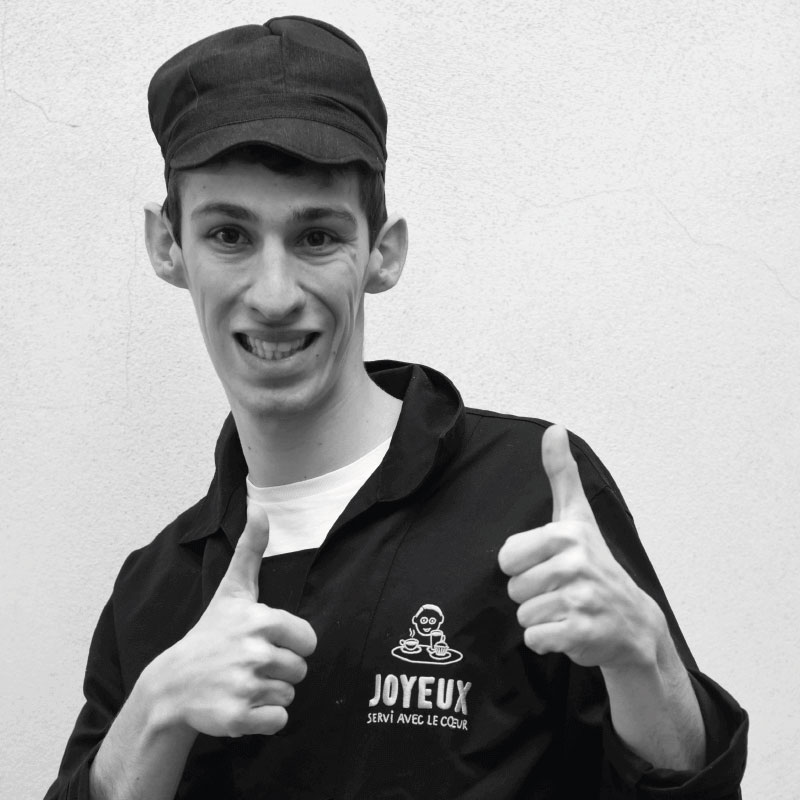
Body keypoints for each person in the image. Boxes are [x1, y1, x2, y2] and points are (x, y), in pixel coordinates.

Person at [44, 16, 748, 800]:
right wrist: (156, 713)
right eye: (229, 235)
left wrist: (643, 656)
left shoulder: (531, 500)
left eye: (316, 236)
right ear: (167, 247)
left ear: (384, 251)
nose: (274, 294)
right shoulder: (154, 592)